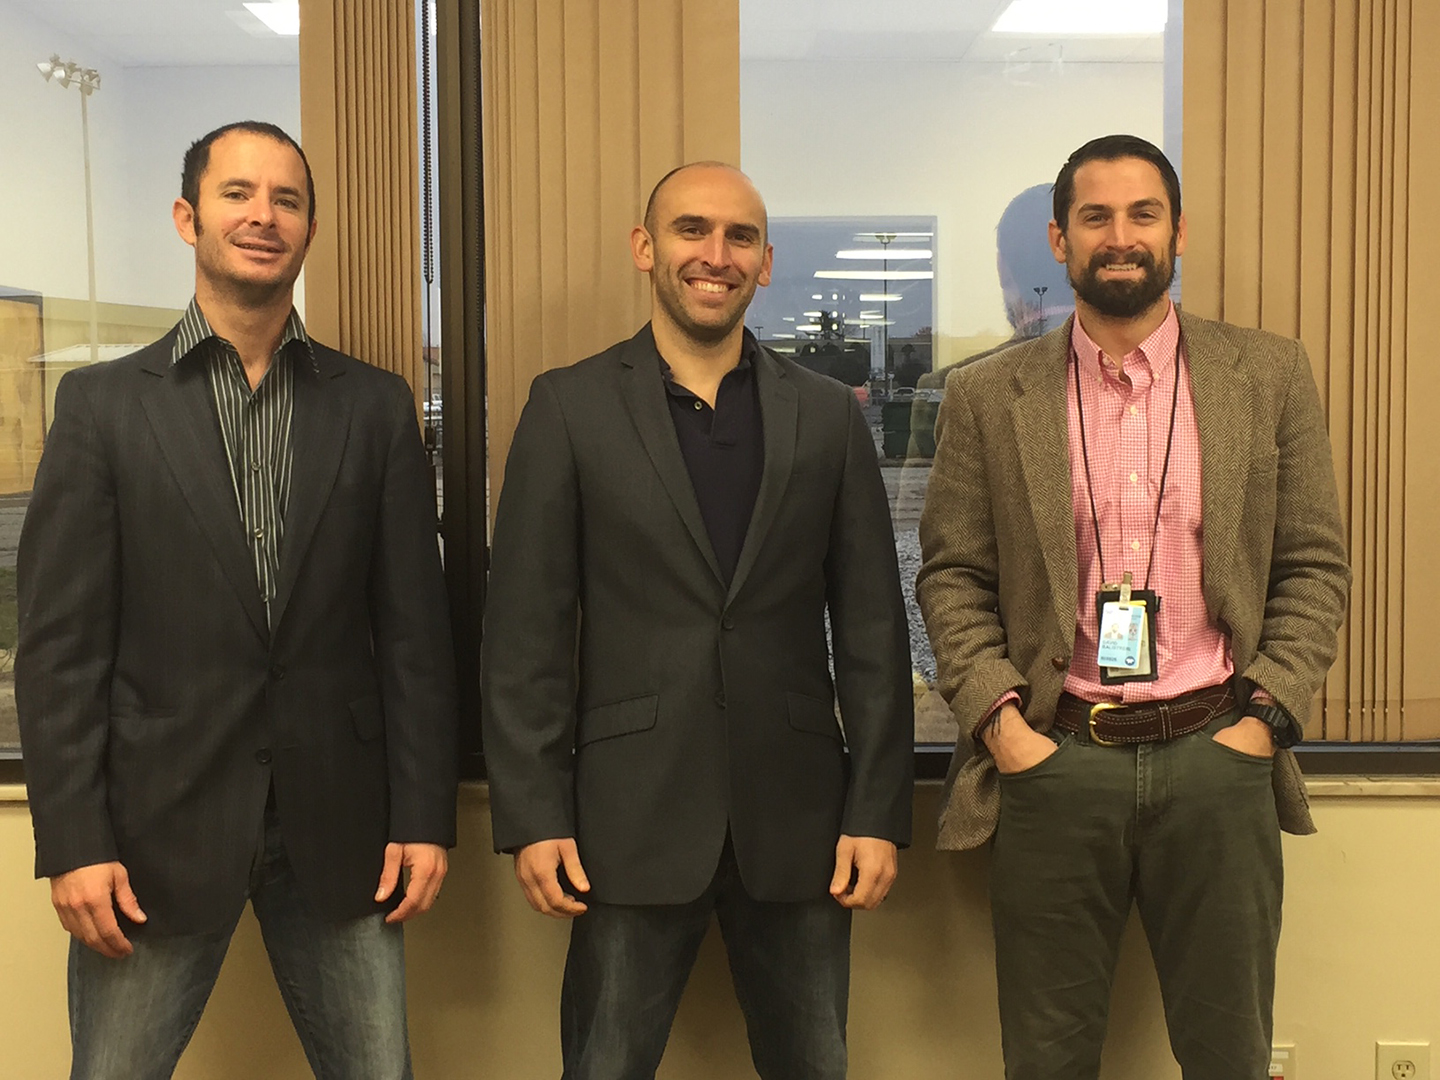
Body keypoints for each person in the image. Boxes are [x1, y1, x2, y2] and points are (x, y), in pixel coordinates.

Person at [16, 120, 458, 1080]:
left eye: (287, 200)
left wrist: (424, 815)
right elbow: (59, 651)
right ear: (189, 216)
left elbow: (414, 636)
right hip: (150, 838)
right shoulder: (103, 409)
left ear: (308, 230)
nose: (263, 215)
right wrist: (73, 841)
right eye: (237, 195)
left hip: (341, 833)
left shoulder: (373, 407)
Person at [916, 134, 1349, 1079]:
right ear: (1059, 239)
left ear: (1178, 230)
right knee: (1047, 1057)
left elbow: (1313, 566)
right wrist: (1002, 725)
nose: (1121, 237)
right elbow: (952, 576)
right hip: (1056, 759)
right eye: (1096, 217)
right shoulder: (988, 396)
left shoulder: (1266, 376)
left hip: (1218, 759)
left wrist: (1266, 718)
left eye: (1143, 214)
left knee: (1228, 1052)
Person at [481, 161, 913, 1080]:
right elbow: (525, 630)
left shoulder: (828, 418)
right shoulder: (569, 407)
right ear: (646, 248)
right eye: (690, 230)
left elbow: (874, 630)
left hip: (800, 823)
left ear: (764, 264)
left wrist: (877, 808)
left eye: (739, 238)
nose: (713, 255)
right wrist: (532, 812)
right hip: (623, 822)